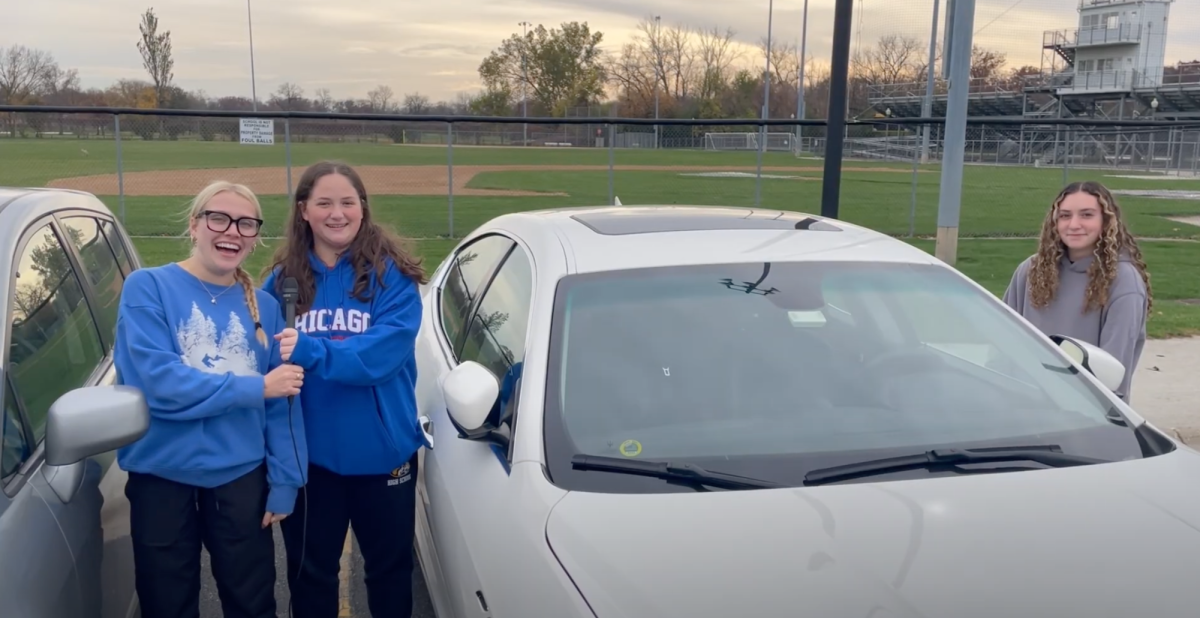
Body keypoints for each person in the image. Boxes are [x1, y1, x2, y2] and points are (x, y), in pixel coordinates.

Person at [114, 181, 308, 617]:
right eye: (218, 218)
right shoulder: (148, 288)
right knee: (166, 602)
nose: (232, 231)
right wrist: (254, 387)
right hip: (161, 476)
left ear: (255, 236)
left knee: (252, 600)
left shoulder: (266, 307)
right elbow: (158, 384)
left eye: (246, 223)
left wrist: (286, 481)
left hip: (239, 477)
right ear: (194, 226)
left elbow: (285, 402)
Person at [261, 160, 428, 618]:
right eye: (325, 203)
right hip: (311, 463)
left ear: (363, 208)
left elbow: (382, 355)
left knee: (389, 571)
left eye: (348, 202)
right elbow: (262, 358)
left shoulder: (392, 276)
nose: (338, 213)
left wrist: (313, 351)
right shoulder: (283, 283)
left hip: (384, 457)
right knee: (310, 574)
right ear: (303, 211)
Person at [1002, 180, 1152, 403]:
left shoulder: (1124, 282)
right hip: (1023, 403)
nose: (1074, 224)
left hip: (1085, 414)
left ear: (1107, 221)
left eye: (1087, 215)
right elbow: (1002, 338)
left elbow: (1113, 373)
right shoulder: (1030, 271)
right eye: (1064, 216)